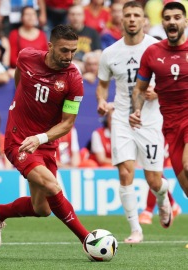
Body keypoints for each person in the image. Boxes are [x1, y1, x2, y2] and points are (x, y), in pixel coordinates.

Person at [0, 25, 90, 249]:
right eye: (64, 50)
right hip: (19, 140)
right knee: (53, 186)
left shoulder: (73, 80)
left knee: (42, 209)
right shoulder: (26, 57)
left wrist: (41, 138)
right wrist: (20, 103)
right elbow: (18, 76)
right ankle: (87, 239)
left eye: (73, 51)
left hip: (44, 143)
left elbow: (67, 123)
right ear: (50, 46)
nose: (69, 56)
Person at [96, 1, 171, 244]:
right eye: (127, 15)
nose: (131, 19)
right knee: (125, 172)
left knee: (154, 180)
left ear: (143, 20)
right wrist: (101, 101)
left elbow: (171, 80)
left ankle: (162, 197)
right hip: (121, 118)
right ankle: (135, 229)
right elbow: (102, 85)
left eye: (136, 15)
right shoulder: (110, 53)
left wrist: (157, 92)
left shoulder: (157, 47)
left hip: (150, 119)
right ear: (121, 20)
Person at [130, 2, 188, 220]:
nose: (172, 21)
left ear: (185, 21)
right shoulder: (152, 52)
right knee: (185, 187)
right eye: (167, 18)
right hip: (170, 126)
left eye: (176, 17)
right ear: (162, 22)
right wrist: (137, 110)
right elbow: (139, 88)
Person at [67, 4, 101, 73]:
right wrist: (77, 65)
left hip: (89, 69)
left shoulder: (92, 32)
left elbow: (98, 53)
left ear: (83, 16)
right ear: (68, 16)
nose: (75, 17)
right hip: (69, 70)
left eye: (78, 14)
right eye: (72, 14)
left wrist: (89, 66)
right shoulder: (62, 33)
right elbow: (58, 57)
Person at [90, 102, 113, 167]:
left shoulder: (128, 134)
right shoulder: (98, 134)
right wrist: (124, 163)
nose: (114, 122)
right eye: (112, 119)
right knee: (108, 167)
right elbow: (102, 160)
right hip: (103, 169)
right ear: (106, 120)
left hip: (121, 166)